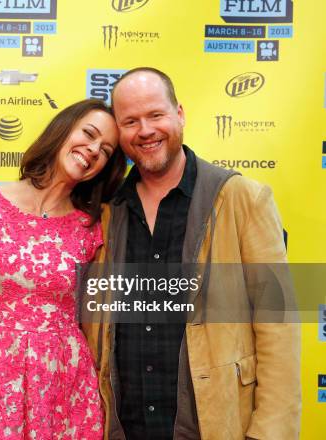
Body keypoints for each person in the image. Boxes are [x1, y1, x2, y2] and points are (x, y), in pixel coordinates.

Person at [83, 67, 301, 439]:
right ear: (118, 132)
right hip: (124, 428)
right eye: (130, 121)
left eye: (155, 115)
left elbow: (278, 328)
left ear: (179, 114)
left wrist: (270, 433)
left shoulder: (243, 198)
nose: (146, 131)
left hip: (216, 426)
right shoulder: (106, 211)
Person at [0, 99, 126, 439]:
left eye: (105, 150)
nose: (92, 150)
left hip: (65, 381)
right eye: (88, 134)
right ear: (62, 130)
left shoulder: (95, 225)